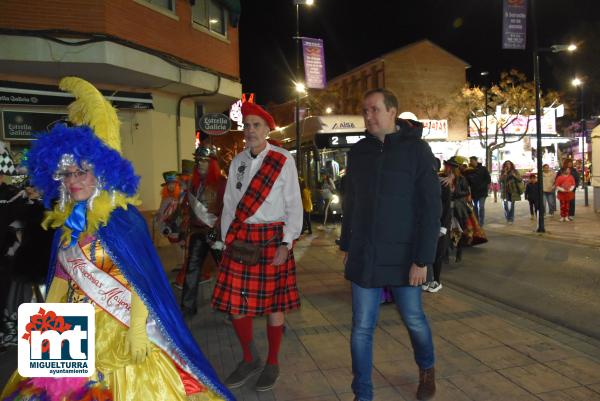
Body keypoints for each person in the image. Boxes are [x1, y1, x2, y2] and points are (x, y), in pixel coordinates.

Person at [0, 77, 234, 401]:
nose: (73, 181)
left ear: (101, 172)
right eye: (67, 174)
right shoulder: (66, 223)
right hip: (74, 329)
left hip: (122, 327)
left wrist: (138, 328)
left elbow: (143, 279)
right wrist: (45, 325)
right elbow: (61, 279)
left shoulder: (124, 220)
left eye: (81, 172)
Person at [339, 88, 440, 401]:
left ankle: (427, 369)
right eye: (365, 111)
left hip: (404, 255)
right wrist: (346, 245)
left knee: (413, 318)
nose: (368, 116)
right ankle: (363, 393)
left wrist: (422, 260)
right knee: (362, 327)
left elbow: (431, 208)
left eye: (374, 110)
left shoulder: (417, 150)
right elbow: (350, 203)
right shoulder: (359, 153)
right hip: (365, 253)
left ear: (392, 112)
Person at [212, 102, 303, 392]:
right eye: (247, 125)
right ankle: (250, 358)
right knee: (236, 305)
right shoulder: (237, 161)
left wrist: (287, 242)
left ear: (266, 130)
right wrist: (227, 240)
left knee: (275, 306)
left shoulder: (282, 159)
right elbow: (229, 206)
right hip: (240, 239)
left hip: (272, 239)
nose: (250, 130)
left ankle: (272, 362)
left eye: (256, 125)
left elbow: (293, 203)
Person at [178, 145, 226, 318]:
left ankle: (231, 307)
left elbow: (227, 210)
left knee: (225, 268)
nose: (200, 164)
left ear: (212, 163)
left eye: (204, 161)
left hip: (214, 233)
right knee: (192, 269)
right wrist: (184, 231)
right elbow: (188, 210)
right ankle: (187, 307)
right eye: (198, 160)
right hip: (198, 232)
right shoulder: (193, 184)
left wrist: (218, 231)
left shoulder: (222, 183)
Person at [422, 158, 451, 293]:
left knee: (438, 253)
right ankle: (428, 279)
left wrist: (443, 226)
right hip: (426, 223)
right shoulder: (422, 182)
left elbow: (446, 207)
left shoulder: (443, 183)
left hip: (440, 224)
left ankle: (436, 280)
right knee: (428, 251)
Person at [444, 156, 470, 263]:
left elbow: (466, 192)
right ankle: (445, 254)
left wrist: (455, 192)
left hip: (459, 208)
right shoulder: (443, 177)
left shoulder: (462, 179)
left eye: (447, 166)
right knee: (445, 230)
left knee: (459, 230)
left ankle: (459, 252)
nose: (445, 168)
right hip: (447, 207)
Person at [464, 156, 491, 226]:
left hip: (482, 192)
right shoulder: (468, 170)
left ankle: (481, 222)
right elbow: (467, 181)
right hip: (474, 192)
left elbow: (488, 179)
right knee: (475, 207)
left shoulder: (483, 169)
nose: (471, 162)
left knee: (481, 206)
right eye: (470, 161)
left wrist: (483, 186)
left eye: (472, 160)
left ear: (476, 161)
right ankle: (477, 222)